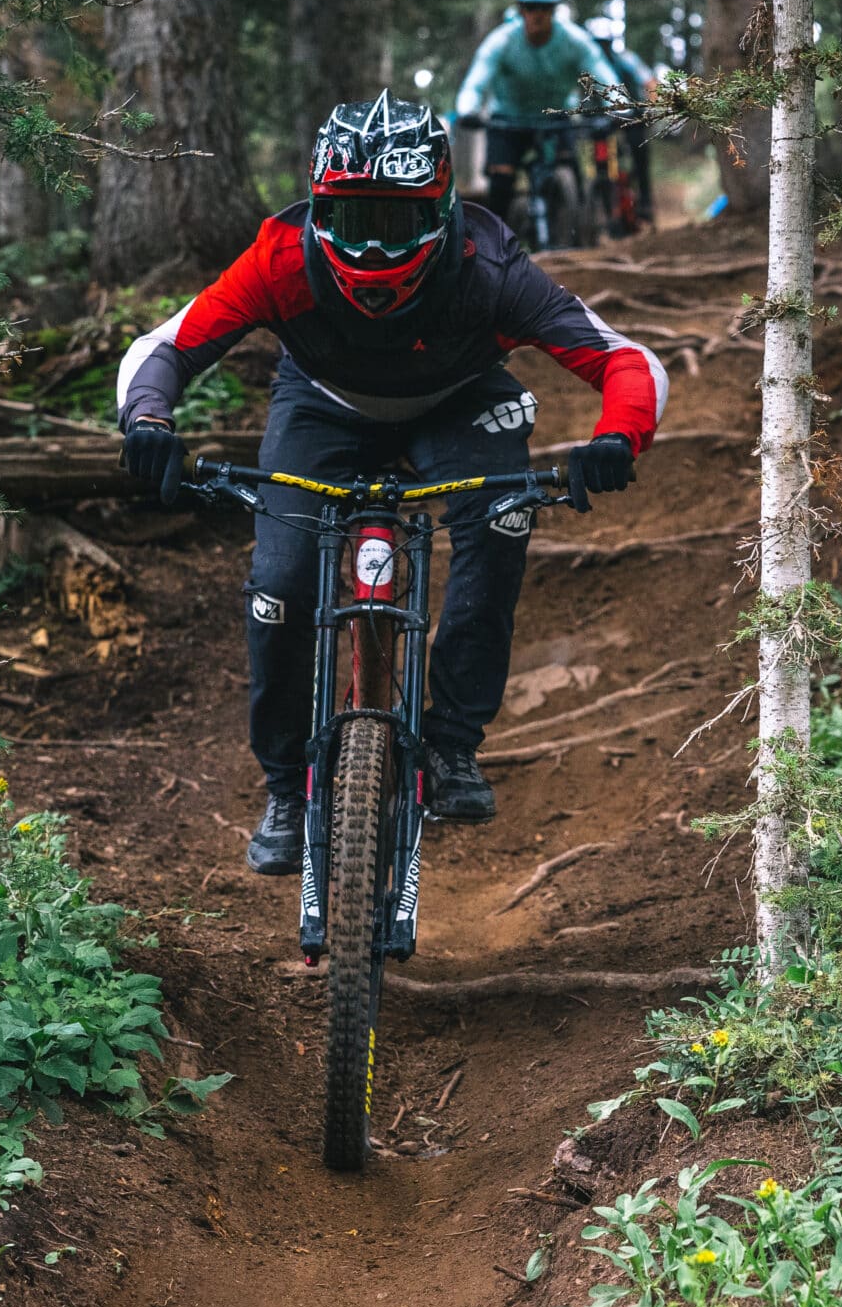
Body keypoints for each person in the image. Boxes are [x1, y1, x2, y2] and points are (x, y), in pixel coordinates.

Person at [117, 92, 667, 875]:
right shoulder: (279, 258)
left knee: (499, 523)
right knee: (279, 581)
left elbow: (625, 360)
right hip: (322, 405)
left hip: (459, 401)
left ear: (442, 210)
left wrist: (617, 436)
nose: (372, 249)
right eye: (350, 218)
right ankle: (287, 787)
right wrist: (149, 422)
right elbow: (165, 349)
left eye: (397, 223)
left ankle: (450, 747)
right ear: (315, 208)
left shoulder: (490, 268)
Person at [454, 0, 621, 217]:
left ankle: (575, 223)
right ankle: (500, 238)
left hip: (555, 119)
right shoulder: (501, 41)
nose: (538, 14)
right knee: (501, 182)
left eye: (544, 7)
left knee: (568, 166)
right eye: (531, 7)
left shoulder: (575, 40)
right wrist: (468, 110)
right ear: (521, 9)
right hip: (508, 120)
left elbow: (603, 77)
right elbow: (476, 82)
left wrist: (621, 107)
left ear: (554, 9)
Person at [587, 13, 657, 229]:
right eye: (597, 44)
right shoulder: (586, 65)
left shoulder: (626, 60)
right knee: (598, 158)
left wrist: (651, 108)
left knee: (639, 150)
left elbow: (648, 81)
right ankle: (601, 202)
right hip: (600, 121)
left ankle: (645, 203)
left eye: (604, 44)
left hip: (631, 116)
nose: (601, 49)